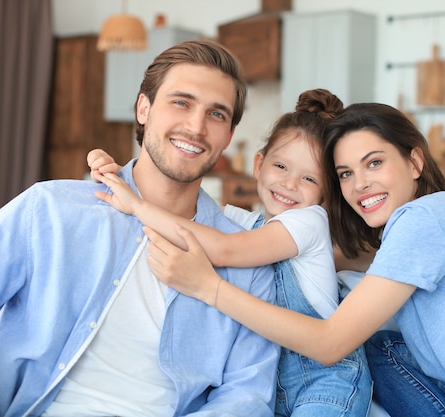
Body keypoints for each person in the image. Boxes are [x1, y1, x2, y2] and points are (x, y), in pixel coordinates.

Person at [141, 102, 445, 417]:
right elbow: (304, 247)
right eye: (345, 174)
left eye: (375, 163)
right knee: (381, 348)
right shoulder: (398, 240)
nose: (360, 184)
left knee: (362, 348)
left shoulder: (429, 218)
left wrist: (209, 287)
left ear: (414, 161)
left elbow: (330, 344)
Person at [0, 39, 280, 417]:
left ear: (229, 136)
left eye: (217, 114)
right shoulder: (52, 210)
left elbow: (247, 396)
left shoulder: (248, 263)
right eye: (181, 102)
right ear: (143, 108)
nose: (196, 127)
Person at [87, 88, 372, 417]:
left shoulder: (307, 223)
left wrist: (136, 205)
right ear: (259, 164)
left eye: (309, 177)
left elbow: (221, 249)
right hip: (270, 386)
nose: (289, 183)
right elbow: (186, 214)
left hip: (327, 384)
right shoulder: (243, 222)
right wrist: (115, 172)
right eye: (281, 166)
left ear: (326, 192)